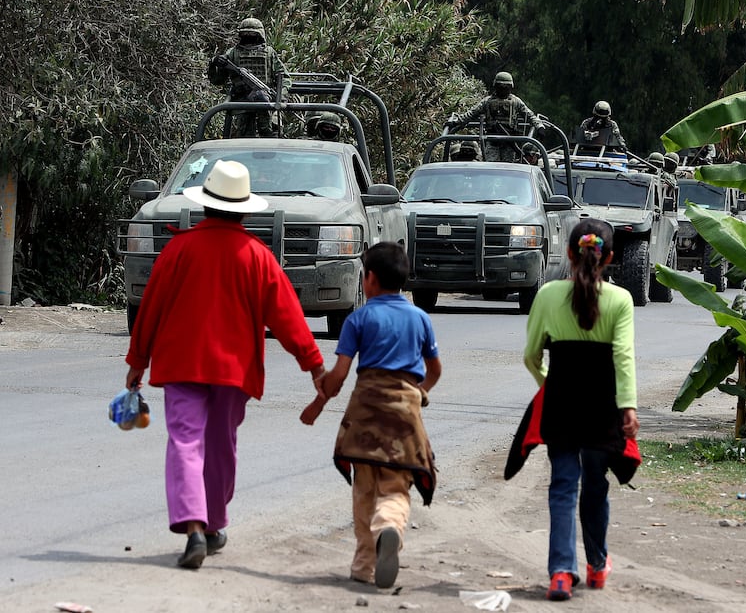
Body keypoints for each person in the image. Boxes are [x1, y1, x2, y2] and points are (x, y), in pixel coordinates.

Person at [124, 159, 326, 570]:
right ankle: (213, 523)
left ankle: (195, 527)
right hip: (234, 370)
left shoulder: (177, 249)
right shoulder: (258, 256)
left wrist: (137, 361)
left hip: (180, 364)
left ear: (205, 204)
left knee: (185, 442)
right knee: (220, 447)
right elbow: (286, 316)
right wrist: (314, 365)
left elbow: (150, 310)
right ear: (244, 210)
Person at [520, 218, 639, 601]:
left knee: (562, 486)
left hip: (561, 406)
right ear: (610, 258)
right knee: (595, 486)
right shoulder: (620, 300)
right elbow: (622, 356)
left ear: (569, 253)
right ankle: (597, 566)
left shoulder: (547, 295)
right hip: (603, 408)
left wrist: (548, 385)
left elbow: (531, 355)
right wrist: (628, 406)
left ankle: (559, 573)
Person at [317, 242, 442, 589]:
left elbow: (341, 373)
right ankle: (389, 524)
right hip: (404, 411)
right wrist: (419, 393)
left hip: (365, 412)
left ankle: (363, 564)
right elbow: (434, 369)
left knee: (364, 488)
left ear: (369, 279)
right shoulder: (419, 318)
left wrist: (322, 387)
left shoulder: (360, 318)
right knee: (396, 484)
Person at [207, 17, 291, 137]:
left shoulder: (269, 53)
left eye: (252, 34)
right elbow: (218, 80)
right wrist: (214, 63)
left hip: (267, 103)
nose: (249, 37)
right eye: (246, 34)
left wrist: (280, 97)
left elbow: (284, 78)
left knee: (270, 135)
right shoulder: (232, 53)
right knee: (243, 139)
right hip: (242, 104)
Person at [449, 72, 544, 162]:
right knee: (491, 166)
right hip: (492, 140)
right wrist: (457, 121)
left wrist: (539, 126)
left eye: (506, 87)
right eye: (500, 87)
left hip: (509, 141)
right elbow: (472, 113)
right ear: (495, 86)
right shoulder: (487, 101)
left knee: (507, 168)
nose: (503, 90)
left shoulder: (516, 102)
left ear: (511, 87)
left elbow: (530, 115)